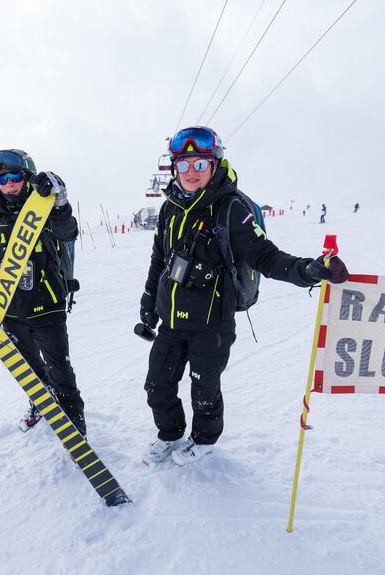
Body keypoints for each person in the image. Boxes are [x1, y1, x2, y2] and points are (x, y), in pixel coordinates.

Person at [138, 126, 349, 466]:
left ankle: (204, 439)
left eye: (200, 165)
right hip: (172, 320)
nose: (191, 173)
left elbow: (265, 256)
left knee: (204, 391)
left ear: (215, 164)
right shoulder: (169, 209)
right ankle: (171, 433)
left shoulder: (231, 209)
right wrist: (148, 304)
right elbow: (158, 261)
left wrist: (308, 270)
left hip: (212, 323)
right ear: (174, 168)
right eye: (184, 165)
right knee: (157, 385)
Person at [0, 149, 86, 435]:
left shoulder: (44, 210)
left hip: (47, 307)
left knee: (60, 371)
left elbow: (68, 232)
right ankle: (41, 400)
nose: (10, 185)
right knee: (29, 370)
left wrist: (59, 201)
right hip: (10, 312)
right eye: (3, 180)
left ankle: (75, 424)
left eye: (15, 177)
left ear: (26, 179)